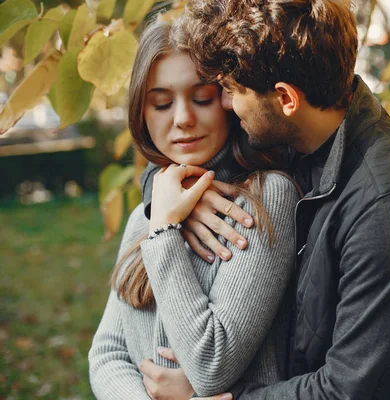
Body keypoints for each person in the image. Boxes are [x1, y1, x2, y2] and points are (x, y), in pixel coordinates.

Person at [141, 0, 390, 398]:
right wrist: (171, 196)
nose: (224, 105)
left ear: (286, 98)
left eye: (233, 91)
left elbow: (349, 389)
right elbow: (179, 149)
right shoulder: (290, 133)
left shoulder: (387, 204)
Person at [88, 19, 300, 400]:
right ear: (142, 112)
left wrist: (166, 233)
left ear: (228, 100)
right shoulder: (146, 215)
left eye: (201, 98)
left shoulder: (267, 197)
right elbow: (107, 354)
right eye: (162, 103)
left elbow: (211, 365)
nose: (183, 118)